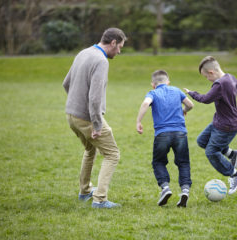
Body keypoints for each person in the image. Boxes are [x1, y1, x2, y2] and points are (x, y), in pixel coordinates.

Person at [63, 28, 127, 209]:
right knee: (112, 154)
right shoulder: (101, 60)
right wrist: (97, 125)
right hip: (87, 118)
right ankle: (100, 199)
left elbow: (66, 83)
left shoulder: (83, 53)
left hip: (71, 115)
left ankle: (84, 191)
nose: (119, 51)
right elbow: (95, 97)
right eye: (120, 47)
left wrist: (75, 104)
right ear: (113, 42)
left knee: (90, 150)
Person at [183, 56, 237, 195]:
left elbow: (205, 99)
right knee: (202, 141)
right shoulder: (230, 77)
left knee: (211, 152)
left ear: (211, 72)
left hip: (226, 126)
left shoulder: (220, 84)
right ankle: (231, 154)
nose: (207, 80)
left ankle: (235, 175)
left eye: (206, 77)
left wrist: (191, 93)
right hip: (220, 121)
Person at [136, 70, 194, 207]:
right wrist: (184, 110)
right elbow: (191, 105)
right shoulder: (176, 90)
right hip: (180, 133)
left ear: (153, 84)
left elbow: (145, 104)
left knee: (158, 162)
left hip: (162, 134)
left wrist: (138, 121)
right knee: (183, 162)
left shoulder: (153, 93)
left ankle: (165, 188)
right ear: (168, 82)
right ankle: (185, 191)